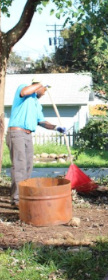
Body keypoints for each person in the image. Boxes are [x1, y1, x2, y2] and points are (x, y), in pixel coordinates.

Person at [6, 78, 66, 209]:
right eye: (44, 90)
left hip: (27, 135)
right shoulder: (23, 89)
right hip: (17, 133)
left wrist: (56, 127)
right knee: (19, 166)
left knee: (28, 167)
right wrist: (42, 83)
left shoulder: (37, 104)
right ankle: (16, 199)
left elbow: (42, 122)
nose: (44, 93)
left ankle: (23, 196)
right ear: (37, 86)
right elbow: (25, 91)